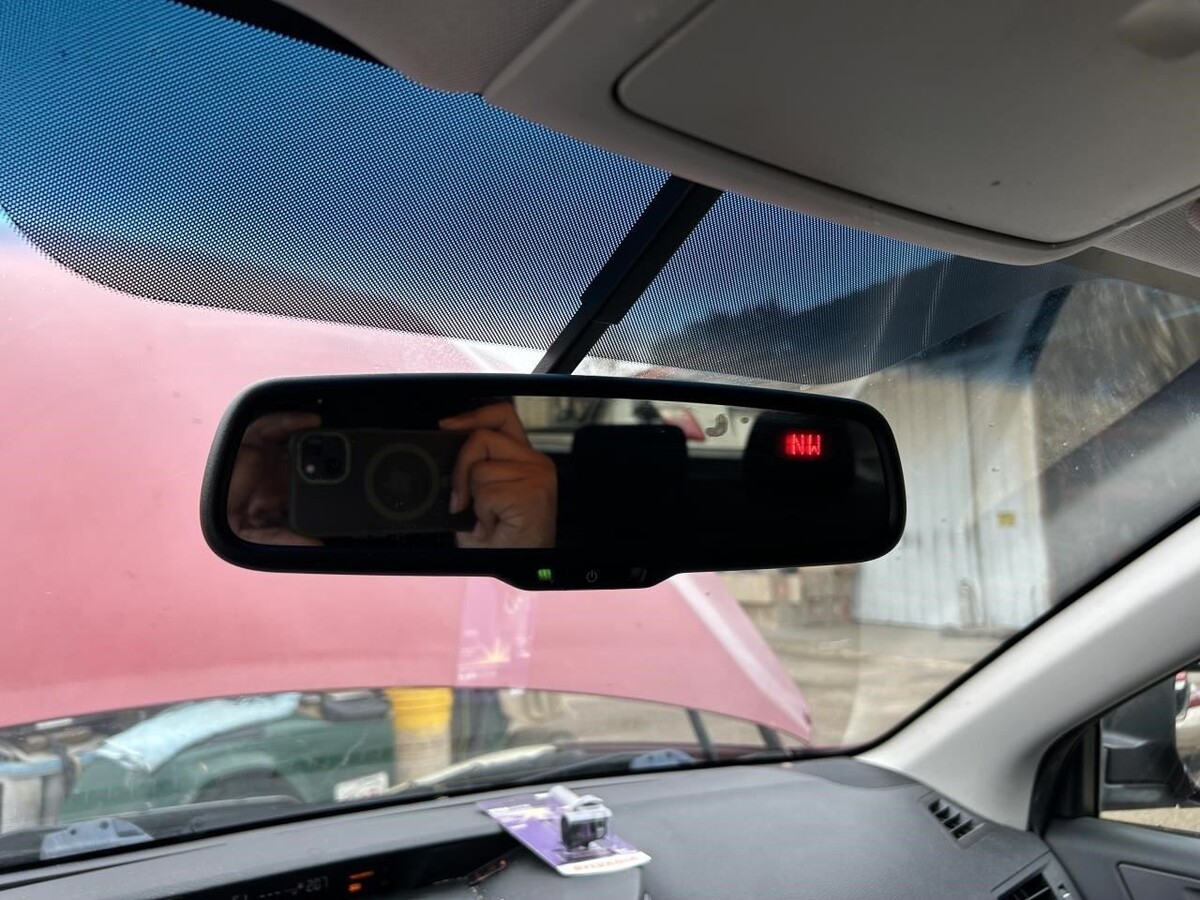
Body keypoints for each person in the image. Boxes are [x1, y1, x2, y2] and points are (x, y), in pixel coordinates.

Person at [227, 401, 557, 550]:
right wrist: (229, 531)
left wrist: (517, 553)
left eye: (288, 455)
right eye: (283, 512)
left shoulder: (486, 517)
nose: (264, 498)